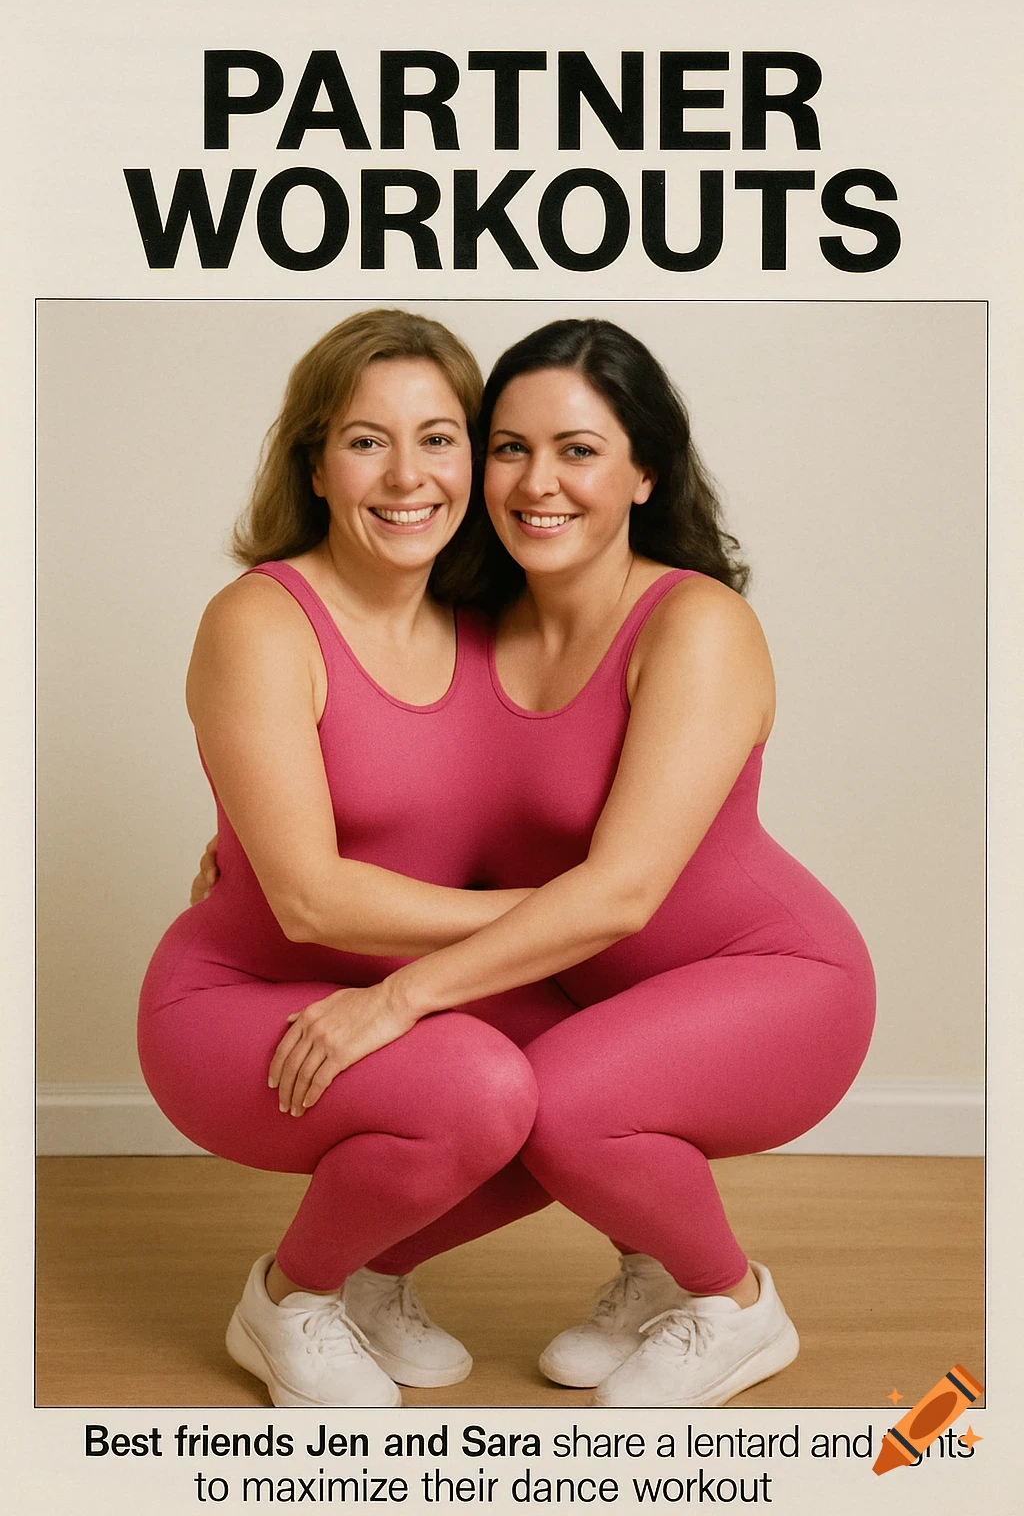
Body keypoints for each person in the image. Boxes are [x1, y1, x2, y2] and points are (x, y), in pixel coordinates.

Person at [247, 317, 876, 1410]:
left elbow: (626, 889)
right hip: (583, 980)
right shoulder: (474, 621)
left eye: (579, 450)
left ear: (644, 472)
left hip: (768, 974)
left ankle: (731, 1305)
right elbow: (405, 766)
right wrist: (245, 834)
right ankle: (638, 1267)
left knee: (560, 1101)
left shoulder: (698, 625)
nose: (539, 481)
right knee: (489, 1096)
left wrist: (398, 999)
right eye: (508, 448)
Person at [138, 309, 580, 1409]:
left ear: (477, 464)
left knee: (592, 1075)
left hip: (402, 992)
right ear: (317, 464)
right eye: (365, 439)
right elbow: (305, 897)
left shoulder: (494, 626)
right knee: (483, 1087)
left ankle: (374, 1275)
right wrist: (554, 912)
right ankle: (287, 1298)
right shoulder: (261, 621)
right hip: (244, 999)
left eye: (439, 437)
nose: (406, 474)